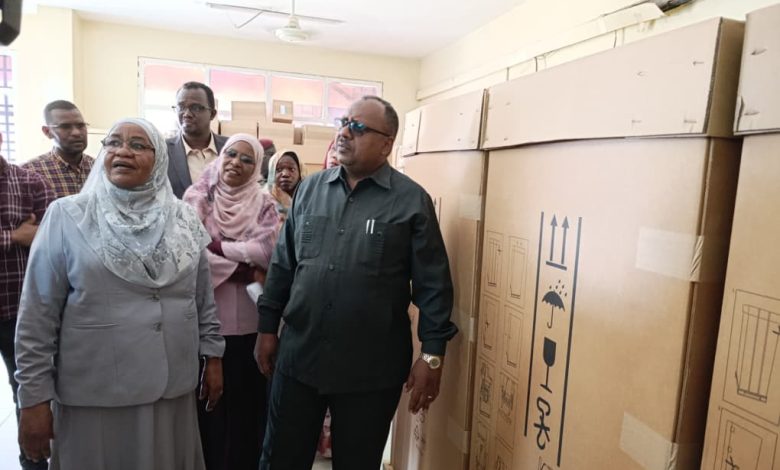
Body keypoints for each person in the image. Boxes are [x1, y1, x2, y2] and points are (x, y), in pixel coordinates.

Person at [255, 96, 458, 470]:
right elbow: (284, 265)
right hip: (299, 357)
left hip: (370, 370)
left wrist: (432, 355)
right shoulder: (310, 190)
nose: (345, 132)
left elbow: (433, 285)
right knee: (279, 458)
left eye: (359, 127)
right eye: (343, 123)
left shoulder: (411, 202)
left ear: (386, 144)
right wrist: (267, 327)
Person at [15, 118, 225, 470]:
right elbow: (37, 315)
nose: (123, 151)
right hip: (96, 394)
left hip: (171, 389)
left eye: (138, 145)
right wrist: (33, 399)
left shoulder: (184, 219)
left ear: (159, 159)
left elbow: (201, 296)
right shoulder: (68, 216)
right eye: (113, 143)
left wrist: (213, 356)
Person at [183, 133, 279, 470]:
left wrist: (218, 247)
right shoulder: (197, 197)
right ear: (220, 157)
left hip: (251, 326)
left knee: (246, 414)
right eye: (231, 154)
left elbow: (267, 250)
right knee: (208, 412)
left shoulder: (265, 203)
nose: (237, 163)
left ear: (257, 167)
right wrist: (244, 267)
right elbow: (190, 252)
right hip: (205, 324)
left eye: (247, 159)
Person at [0, 134, 55, 470]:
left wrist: (32, 236)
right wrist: (13, 236)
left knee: (27, 390)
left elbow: (52, 239)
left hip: (18, 311)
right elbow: (27, 236)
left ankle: (33, 461)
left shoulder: (30, 182)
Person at [167, 82, 228, 198]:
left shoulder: (230, 148)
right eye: (181, 107)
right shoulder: (163, 152)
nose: (186, 114)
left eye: (195, 108)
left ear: (212, 114)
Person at [23, 100, 94, 198]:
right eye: (65, 127)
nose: (76, 133)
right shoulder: (29, 172)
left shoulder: (100, 168)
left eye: (81, 126)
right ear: (47, 132)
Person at [265, 149, 303, 228]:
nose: (285, 174)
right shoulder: (262, 202)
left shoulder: (308, 201)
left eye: (291, 169)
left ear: (300, 173)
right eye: (279, 170)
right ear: (271, 173)